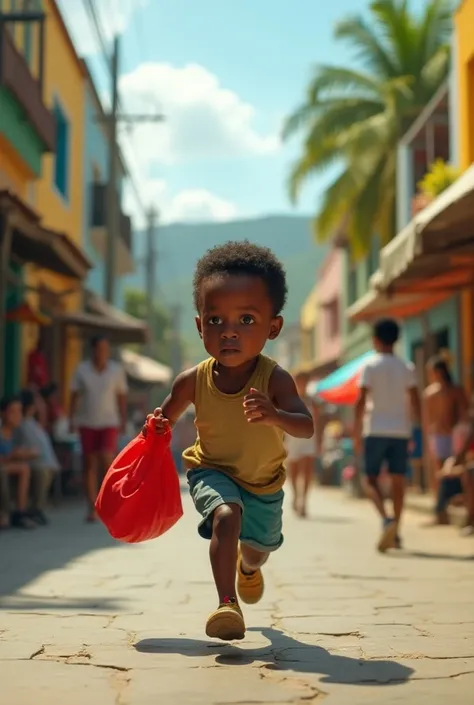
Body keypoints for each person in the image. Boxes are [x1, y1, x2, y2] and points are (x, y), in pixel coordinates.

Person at [144, 241, 314, 641]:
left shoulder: (275, 379)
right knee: (226, 515)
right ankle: (227, 604)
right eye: (216, 320)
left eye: (247, 320)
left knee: (257, 550)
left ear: (274, 327)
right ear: (201, 326)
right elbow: (163, 418)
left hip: (264, 482)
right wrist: (154, 429)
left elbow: (306, 426)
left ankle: (248, 569)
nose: (230, 332)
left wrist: (275, 415)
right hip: (211, 470)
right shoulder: (192, 380)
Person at [354, 318, 421, 553]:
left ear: (375, 339)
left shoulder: (370, 366)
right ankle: (397, 531)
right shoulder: (407, 366)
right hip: (400, 431)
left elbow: (361, 401)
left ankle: (386, 519)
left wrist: (355, 432)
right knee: (398, 481)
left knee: (369, 479)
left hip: (375, 430)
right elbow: (415, 400)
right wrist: (415, 430)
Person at [70, 336, 128, 522]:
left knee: (106, 459)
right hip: (86, 421)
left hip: (109, 421)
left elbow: (121, 396)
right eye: (99, 348)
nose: (102, 352)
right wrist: (72, 419)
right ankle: (92, 506)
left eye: (105, 349)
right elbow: (74, 395)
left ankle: (108, 502)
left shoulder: (116, 370)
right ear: (93, 350)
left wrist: (123, 419)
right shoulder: (82, 369)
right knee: (89, 463)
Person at [423, 356, 469, 495]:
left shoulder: (456, 391)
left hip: (455, 437)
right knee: (439, 472)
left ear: (440, 372)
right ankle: (441, 506)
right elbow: (427, 420)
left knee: (457, 469)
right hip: (438, 437)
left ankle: (455, 500)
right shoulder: (429, 394)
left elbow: (465, 414)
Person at [14, 390, 61, 525]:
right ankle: (34, 509)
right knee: (42, 472)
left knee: (45, 472)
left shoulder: (34, 423)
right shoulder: (21, 424)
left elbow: (43, 412)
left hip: (40, 462)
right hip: (30, 461)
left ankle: (37, 507)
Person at [0, 396, 35, 530]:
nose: (17, 415)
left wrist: (23, 454)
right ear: (3, 413)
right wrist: (11, 456)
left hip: (9, 466)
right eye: (13, 411)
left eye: (20, 411)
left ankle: (22, 511)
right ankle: (5, 513)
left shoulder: (18, 432)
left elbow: (32, 451)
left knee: (28, 468)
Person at [286, 376, 317, 517]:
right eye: (299, 381)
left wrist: (320, 439)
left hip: (309, 437)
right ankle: (295, 495)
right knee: (294, 470)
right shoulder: (288, 398)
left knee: (307, 470)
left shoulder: (312, 400)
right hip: (293, 437)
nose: (302, 384)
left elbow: (319, 420)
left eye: (304, 381)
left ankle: (304, 501)